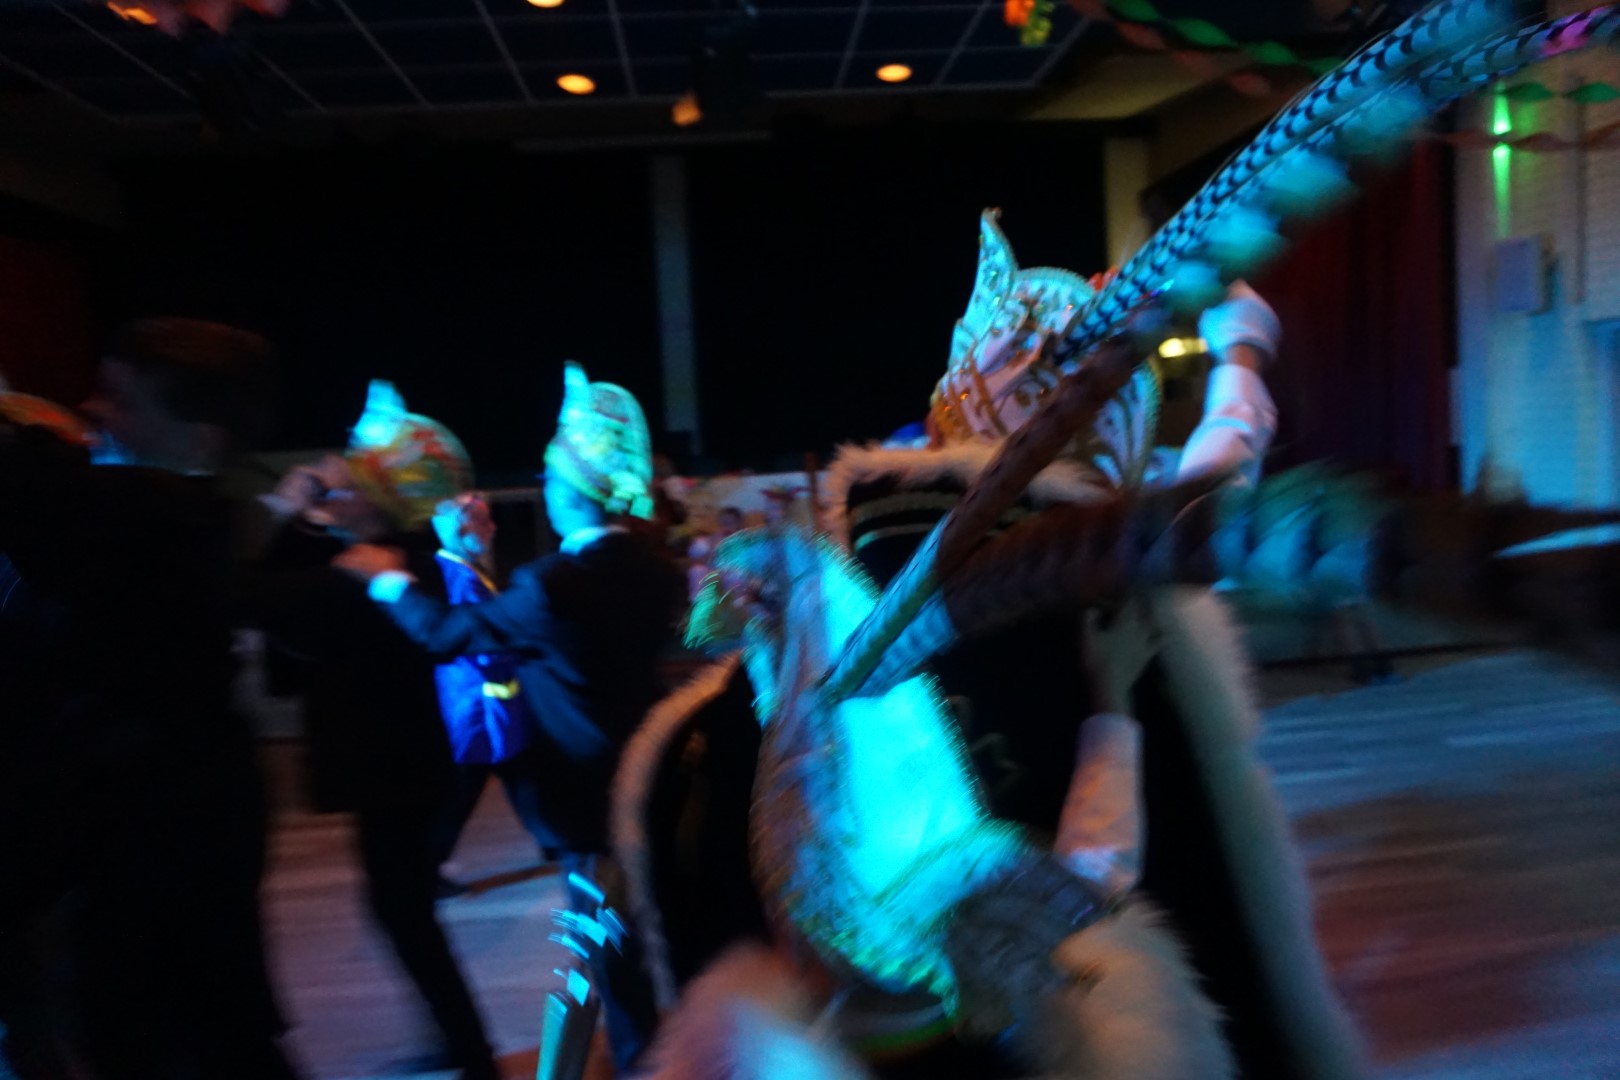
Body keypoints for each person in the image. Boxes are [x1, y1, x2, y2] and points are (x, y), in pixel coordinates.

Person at [337, 361, 687, 1074]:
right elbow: (538, 632)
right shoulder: (656, 570)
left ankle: (637, 1061)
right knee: (630, 939)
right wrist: (475, 560)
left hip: (584, 795)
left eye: (549, 477)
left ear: (568, 492)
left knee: (602, 950)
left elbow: (447, 635)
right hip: (648, 774)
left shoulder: (554, 581)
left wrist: (386, 578)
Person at [0, 321, 299, 1079]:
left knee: (165, 1031)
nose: (93, 411)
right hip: (181, 807)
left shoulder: (148, 515)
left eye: (123, 401)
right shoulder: (168, 514)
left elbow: (32, 480)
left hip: (153, 820)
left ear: (198, 442)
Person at [251, 381, 498, 1080]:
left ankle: (473, 1055)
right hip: (403, 767)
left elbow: (257, 596)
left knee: (403, 913)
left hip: (393, 770)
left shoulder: (368, 570)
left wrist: (291, 508)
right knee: (403, 912)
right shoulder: (394, 558)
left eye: (349, 484)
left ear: (375, 500)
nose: (336, 490)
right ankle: (464, 1046)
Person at [428, 490, 551, 893]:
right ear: (460, 528)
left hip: (483, 704)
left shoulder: (459, 572)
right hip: (479, 706)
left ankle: (553, 841)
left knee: (515, 777)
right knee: (473, 785)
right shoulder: (461, 578)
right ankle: (428, 867)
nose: (492, 528)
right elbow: (481, 642)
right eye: (483, 520)